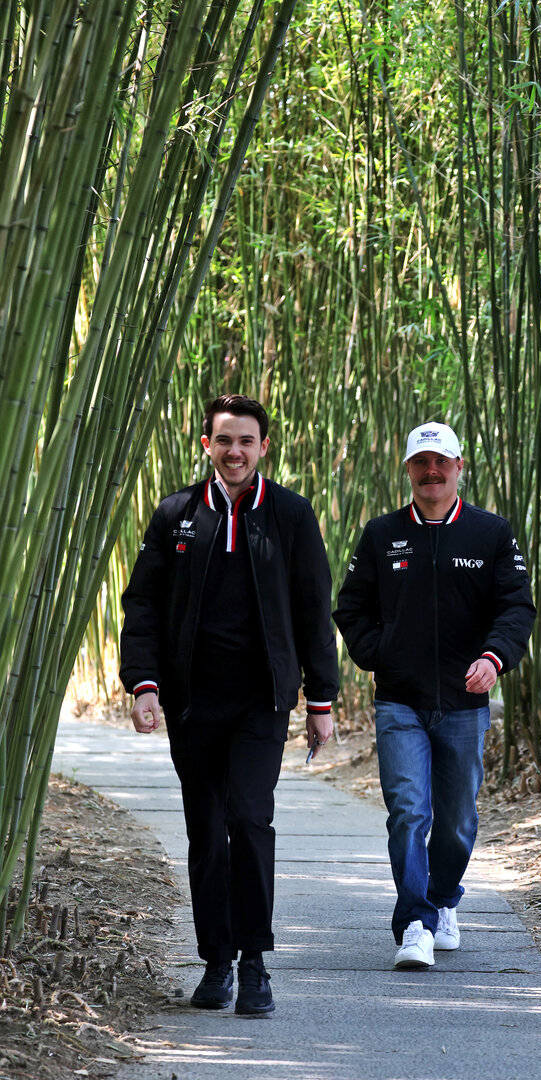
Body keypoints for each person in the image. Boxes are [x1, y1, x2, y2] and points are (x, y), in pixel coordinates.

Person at [120, 394, 338, 1014]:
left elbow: (313, 608)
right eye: (224, 440)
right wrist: (144, 684)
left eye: (246, 441)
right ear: (207, 445)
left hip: (260, 704)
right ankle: (216, 962)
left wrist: (321, 699)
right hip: (193, 705)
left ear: (263, 447)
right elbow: (143, 605)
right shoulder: (177, 514)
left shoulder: (291, 514)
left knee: (249, 819)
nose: (235, 451)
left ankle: (255, 963)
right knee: (206, 830)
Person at [333, 421, 535, 970]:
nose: (431, 471)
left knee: (457, 822)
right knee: (408, 812)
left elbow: (516, 607)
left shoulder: (491, 533)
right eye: (421, 462)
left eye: (441, 461)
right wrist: (382, 654)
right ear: (408, 470)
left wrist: (493, 657)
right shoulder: (382, 534)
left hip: (465, 704)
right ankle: (415, 924)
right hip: (400, 701)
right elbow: (350, 608)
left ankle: (443, 899)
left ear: (459, 467)